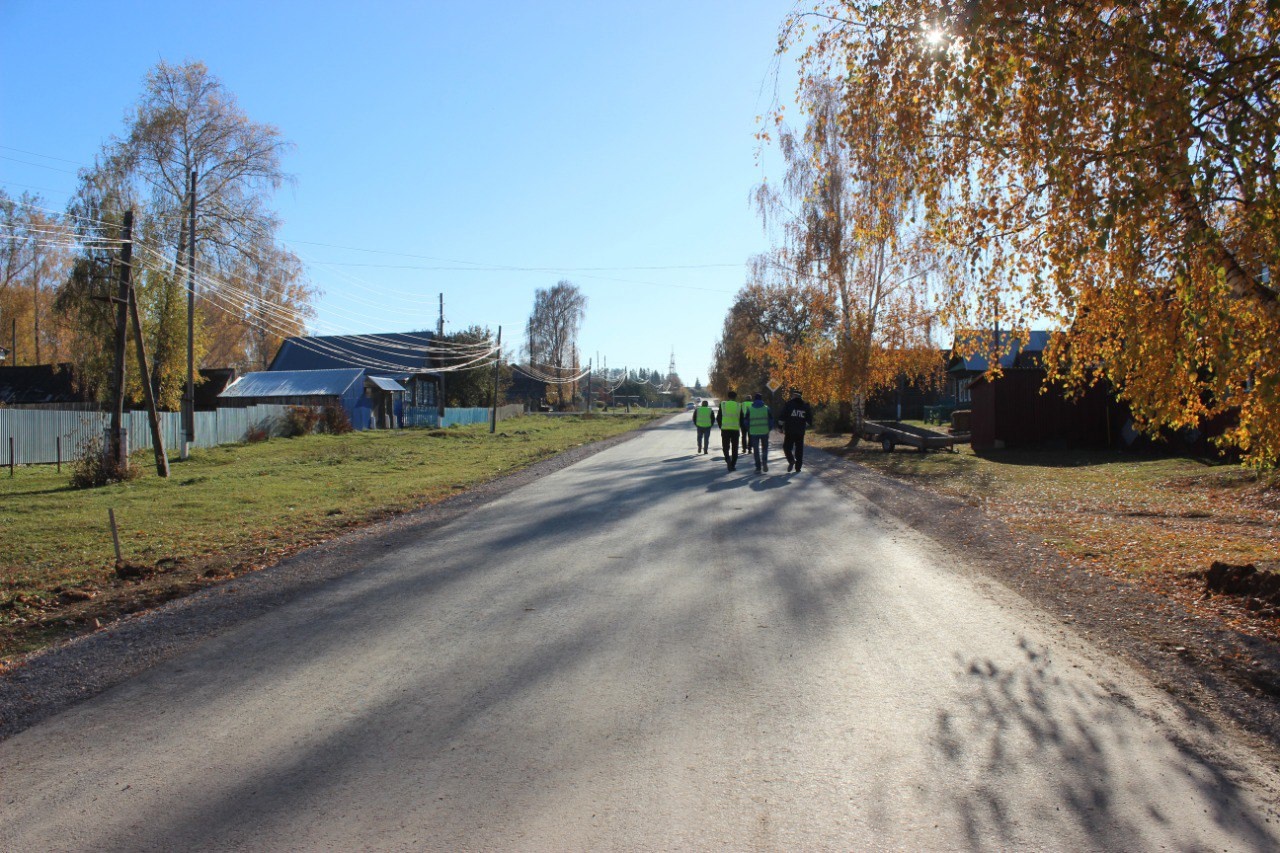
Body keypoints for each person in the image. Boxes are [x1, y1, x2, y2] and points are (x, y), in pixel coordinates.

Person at [779, 387, 814, 472]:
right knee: (799, 449)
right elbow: (809, 421)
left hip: (790, 431)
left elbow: (782, 418)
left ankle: (791, 460)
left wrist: (780, 427)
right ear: (801, 396)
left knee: (787, 447)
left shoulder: (789, 404)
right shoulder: (805, 406)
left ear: (794, 395)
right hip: (800, 432)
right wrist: (802, 425)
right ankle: (798, 468)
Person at [744, 392, 773, 472]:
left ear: (754, 400)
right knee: (765, 448)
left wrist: (748, 428)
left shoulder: (750, 409)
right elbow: (771, 420)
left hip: (754, 432)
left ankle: (758, 467)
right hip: (764, 432)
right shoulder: (766, 408)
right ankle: (764, 461)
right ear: (761, 399)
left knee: (756, 450)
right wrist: (769, 429)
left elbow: (746, 421)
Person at [716, 391, 742, 470]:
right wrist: (739, 426)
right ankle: (733, 465)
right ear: (735, 397)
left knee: (725, 447)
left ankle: (727, 460)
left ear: (728, 397)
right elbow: (741, 418)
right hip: (735, 430)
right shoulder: (738, 405)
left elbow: (718, 417)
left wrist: (721, 426)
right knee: (735, 448)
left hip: (725, 430)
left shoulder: (723, 404)